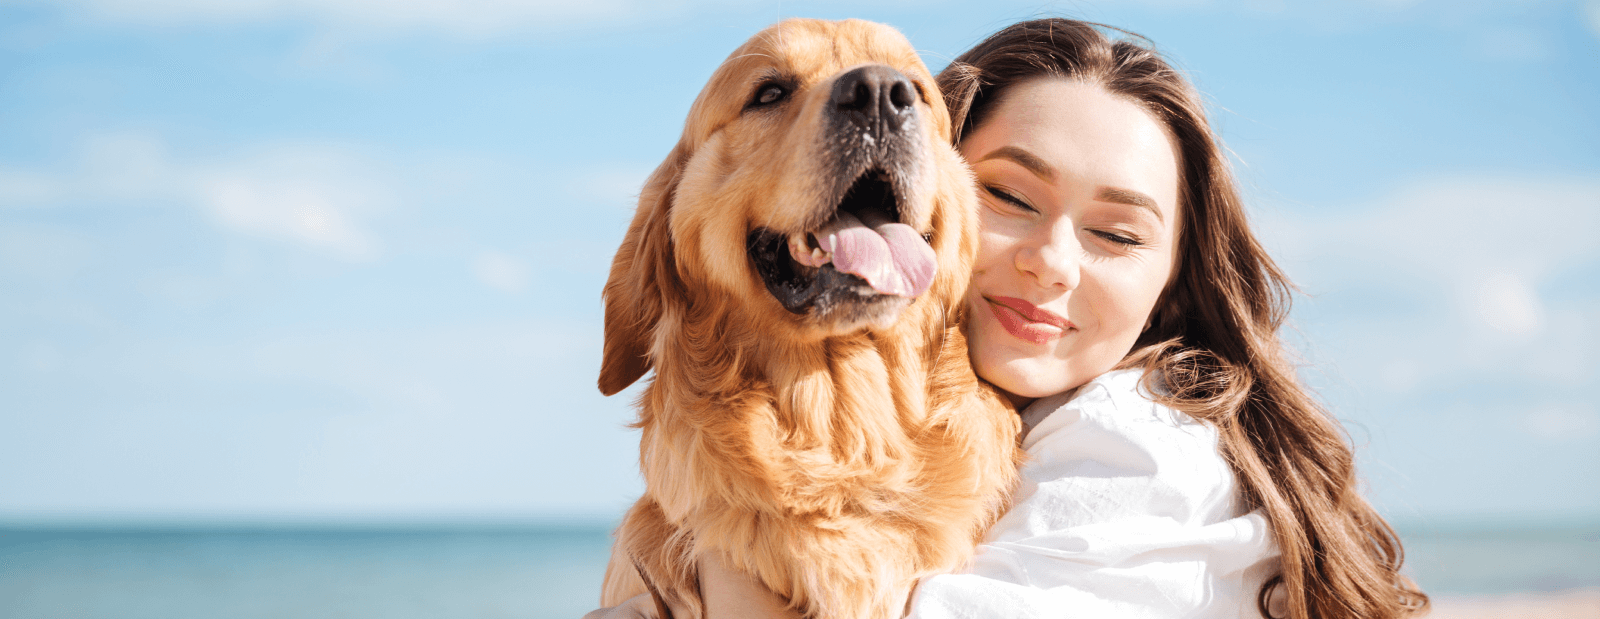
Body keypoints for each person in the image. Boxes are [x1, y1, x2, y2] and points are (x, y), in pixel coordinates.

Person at [589, 17, 1428, 619]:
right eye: (1010, 195)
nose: (1052, 262)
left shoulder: (1134, 449)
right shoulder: (1034, 425)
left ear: (1172, 286)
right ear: (664, 232)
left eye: (1116, 232)